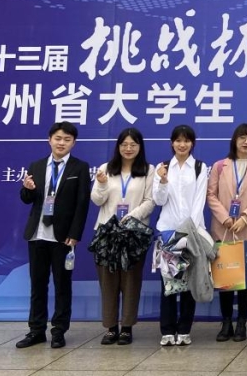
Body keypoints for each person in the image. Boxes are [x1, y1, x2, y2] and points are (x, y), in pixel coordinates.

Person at [16, 121, 91, 349]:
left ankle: (59, 331)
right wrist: (27, 189)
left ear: (73, 143)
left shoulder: (79, 168)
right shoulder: (37, 165)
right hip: (37, 234)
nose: (61, 143)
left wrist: (75, 233)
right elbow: (27, 199)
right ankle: (36, 330)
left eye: (67, 140)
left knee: (62, 286)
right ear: (49, 140)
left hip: (63, 237)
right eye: (58, 138)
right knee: (37, 286)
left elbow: (82, 204)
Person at [90, 127, 156, 345]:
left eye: (133, 145)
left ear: (140, 147)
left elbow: (150, 201)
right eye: (124, 144)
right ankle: (111, 328)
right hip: (107, 234)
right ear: (118, 147)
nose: (128, 148)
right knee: (108, 282)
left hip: (133, 234)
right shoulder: (105, 169)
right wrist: (101, 184)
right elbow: (97, 200)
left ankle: (127, 327)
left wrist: (131, 217)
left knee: (131, 281)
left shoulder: (148, 170)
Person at [207, 123, 247, 343]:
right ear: (235, 140)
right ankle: (226, 322)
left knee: (244, 278)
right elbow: (211, 195)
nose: (246, 142)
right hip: (223, 229)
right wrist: (225, 218)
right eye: (242, 137)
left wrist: (245, 217)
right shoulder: (220, 166)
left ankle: (242, 322)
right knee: (225, 277)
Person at [152, 124, 209, 347]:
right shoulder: (163, 167)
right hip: (167, 232)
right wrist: (162, 180)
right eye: (178, 140)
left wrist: (189, 232)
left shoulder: (200, 167)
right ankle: (167, 330)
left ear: (192, 143)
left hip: (191, 233)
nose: (182, 145)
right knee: (168, 284)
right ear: (172, 143)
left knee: (188, 282)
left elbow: (199, 202)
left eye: (186, 141)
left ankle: (184, 329)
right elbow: (159, 200)